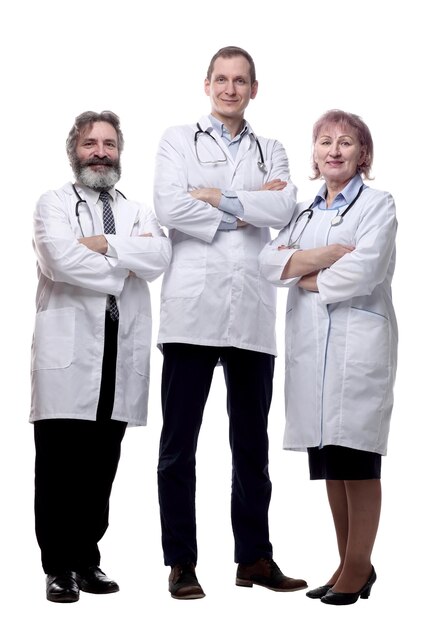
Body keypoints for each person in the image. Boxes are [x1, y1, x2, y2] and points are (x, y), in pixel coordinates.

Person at [154, 45, 307, 600]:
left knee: (251, 447)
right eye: (222, 79)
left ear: (254, 89)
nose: (230, 89)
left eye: (240, 81)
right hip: (191, 312)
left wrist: (214, 196)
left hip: (251, 313)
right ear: (207, 84)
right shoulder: (178, 139)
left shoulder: (274, 148)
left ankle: (255, 559)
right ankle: (181, 562)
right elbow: (171, 209)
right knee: (179, 447)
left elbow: (285, 210)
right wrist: (247, 207)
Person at [30, 110, 171, 603]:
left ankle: (87, 561)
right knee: (59, 467)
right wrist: (121, 265)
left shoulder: (136, 211)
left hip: (119, 350)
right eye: (91, 143)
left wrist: (105, 244)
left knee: (100, 464)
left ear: (119, 153)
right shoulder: (53, 203)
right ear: (75, 150)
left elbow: (158, 259)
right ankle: (58, 567)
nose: (100, 152)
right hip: (69, 355)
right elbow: (59, 259)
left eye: (109, 144)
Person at [259, 109, 398, 606]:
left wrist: (311, 276)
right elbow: (269, 262)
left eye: (346, 142)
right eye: (324, 142)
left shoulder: (378, 205)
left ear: (363, 154)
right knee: (332, 462)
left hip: (356, 348)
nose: (334, 150)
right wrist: (322, 258)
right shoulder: (303, 211)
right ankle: (346, 562)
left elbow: (367, 267)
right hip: (313, 351)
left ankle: (358, 566)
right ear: (315, 154)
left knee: (358, 460)